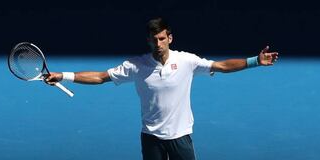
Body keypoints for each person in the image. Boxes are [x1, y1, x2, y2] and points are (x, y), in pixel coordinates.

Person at [44, 17, 279, 160]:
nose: (157, 44)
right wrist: (63, 76)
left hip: (180, 137)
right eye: (153, 39)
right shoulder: (136, 65)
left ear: (170, 38)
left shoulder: (187, 61)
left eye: (161, 38)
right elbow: (101, 77)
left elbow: (221, 65)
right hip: (151, 138)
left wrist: (254, 61)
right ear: (148, 41)